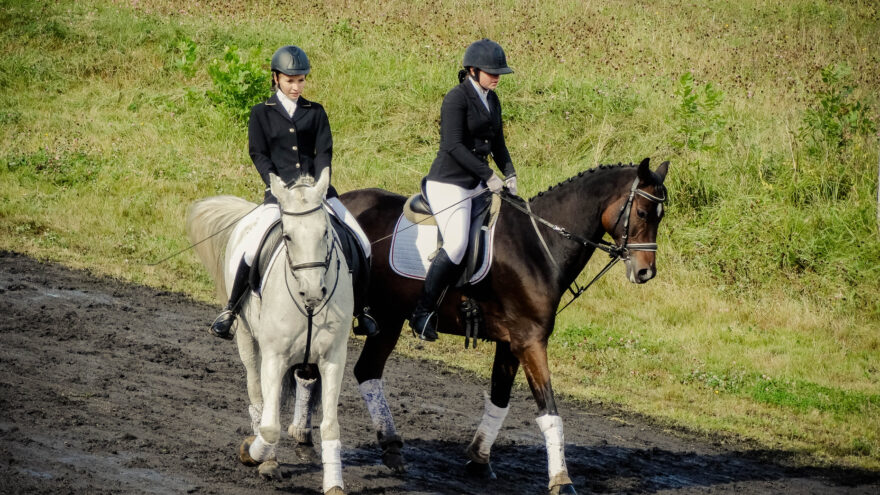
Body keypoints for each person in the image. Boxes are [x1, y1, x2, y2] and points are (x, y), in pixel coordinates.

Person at [210, 45, 378, 340]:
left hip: (317, 195)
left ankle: (362, 310)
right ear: (276, 78)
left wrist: (321, 184)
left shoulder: (316, 112)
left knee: (361, 242)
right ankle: (231, 310)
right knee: (253, 246)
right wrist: (275, 182)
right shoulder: (261, 113)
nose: (296, 86)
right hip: (280, 196)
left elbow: (324, 151)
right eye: (290, 80)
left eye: (301, 80)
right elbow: (258, 153)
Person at [409, 38, 517, 342]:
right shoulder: (456, 98)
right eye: (491, 71)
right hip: (449, 182)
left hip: (477, 182)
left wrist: (509, 172)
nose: (496, 77)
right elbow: (453, 146)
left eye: (499, 72)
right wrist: (488, 175)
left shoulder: (492, 100)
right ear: (472, 70)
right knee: (456, 243)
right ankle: (423, 311)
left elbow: (498, 144)